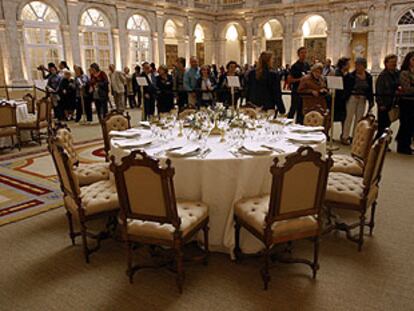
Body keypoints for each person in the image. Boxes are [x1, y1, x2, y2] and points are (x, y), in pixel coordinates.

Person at [342, 57, 374, 145]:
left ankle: (355, 137)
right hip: (352, 97)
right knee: (349, 117)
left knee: (359, 119)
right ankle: (345, 136)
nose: (357, 67)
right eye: (356, 65)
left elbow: (370, 89)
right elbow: (346, 88)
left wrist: (371, 101)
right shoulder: (350, 75)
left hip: (362, 98)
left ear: (364, 66)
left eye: (359, 65)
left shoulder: (368, 76)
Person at [375, 54, 400, 140]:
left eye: (395, 62)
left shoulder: (397, 73)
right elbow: (379, 90)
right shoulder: (383, 76)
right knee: (382, 125)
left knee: (387, 125)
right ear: (386, 63)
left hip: (392, 103)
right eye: (392, 62)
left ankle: (383, 142)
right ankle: (377, 143)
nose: (394, 64)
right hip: (384, 103)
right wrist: (380, 103)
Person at [397, 51, 414, 155]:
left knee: (412, 125)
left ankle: (408, 144)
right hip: (406, 102)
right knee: (405, 124)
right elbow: (407, 89)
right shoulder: (404, 73)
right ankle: (403, 145)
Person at [288, 47, 310, 123]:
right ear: (298, 54)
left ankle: (299, 126)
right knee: (293, 109)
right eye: (302, 53)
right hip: (296, 91)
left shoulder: (307, 65)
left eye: (305, 53)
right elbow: (289, 80)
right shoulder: (294, 66)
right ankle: (288, 124)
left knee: (301, 110)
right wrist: (300, 79)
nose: (304, 54)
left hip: (304, 92)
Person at [333, 57, 351, 140]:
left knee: (344, 117)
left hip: (343, 99)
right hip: (337, 98)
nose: (349, 65)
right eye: (348, 64)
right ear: (343, 65)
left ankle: (343, 134)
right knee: (333, 117)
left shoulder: (346, 74)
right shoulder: (337, 73)